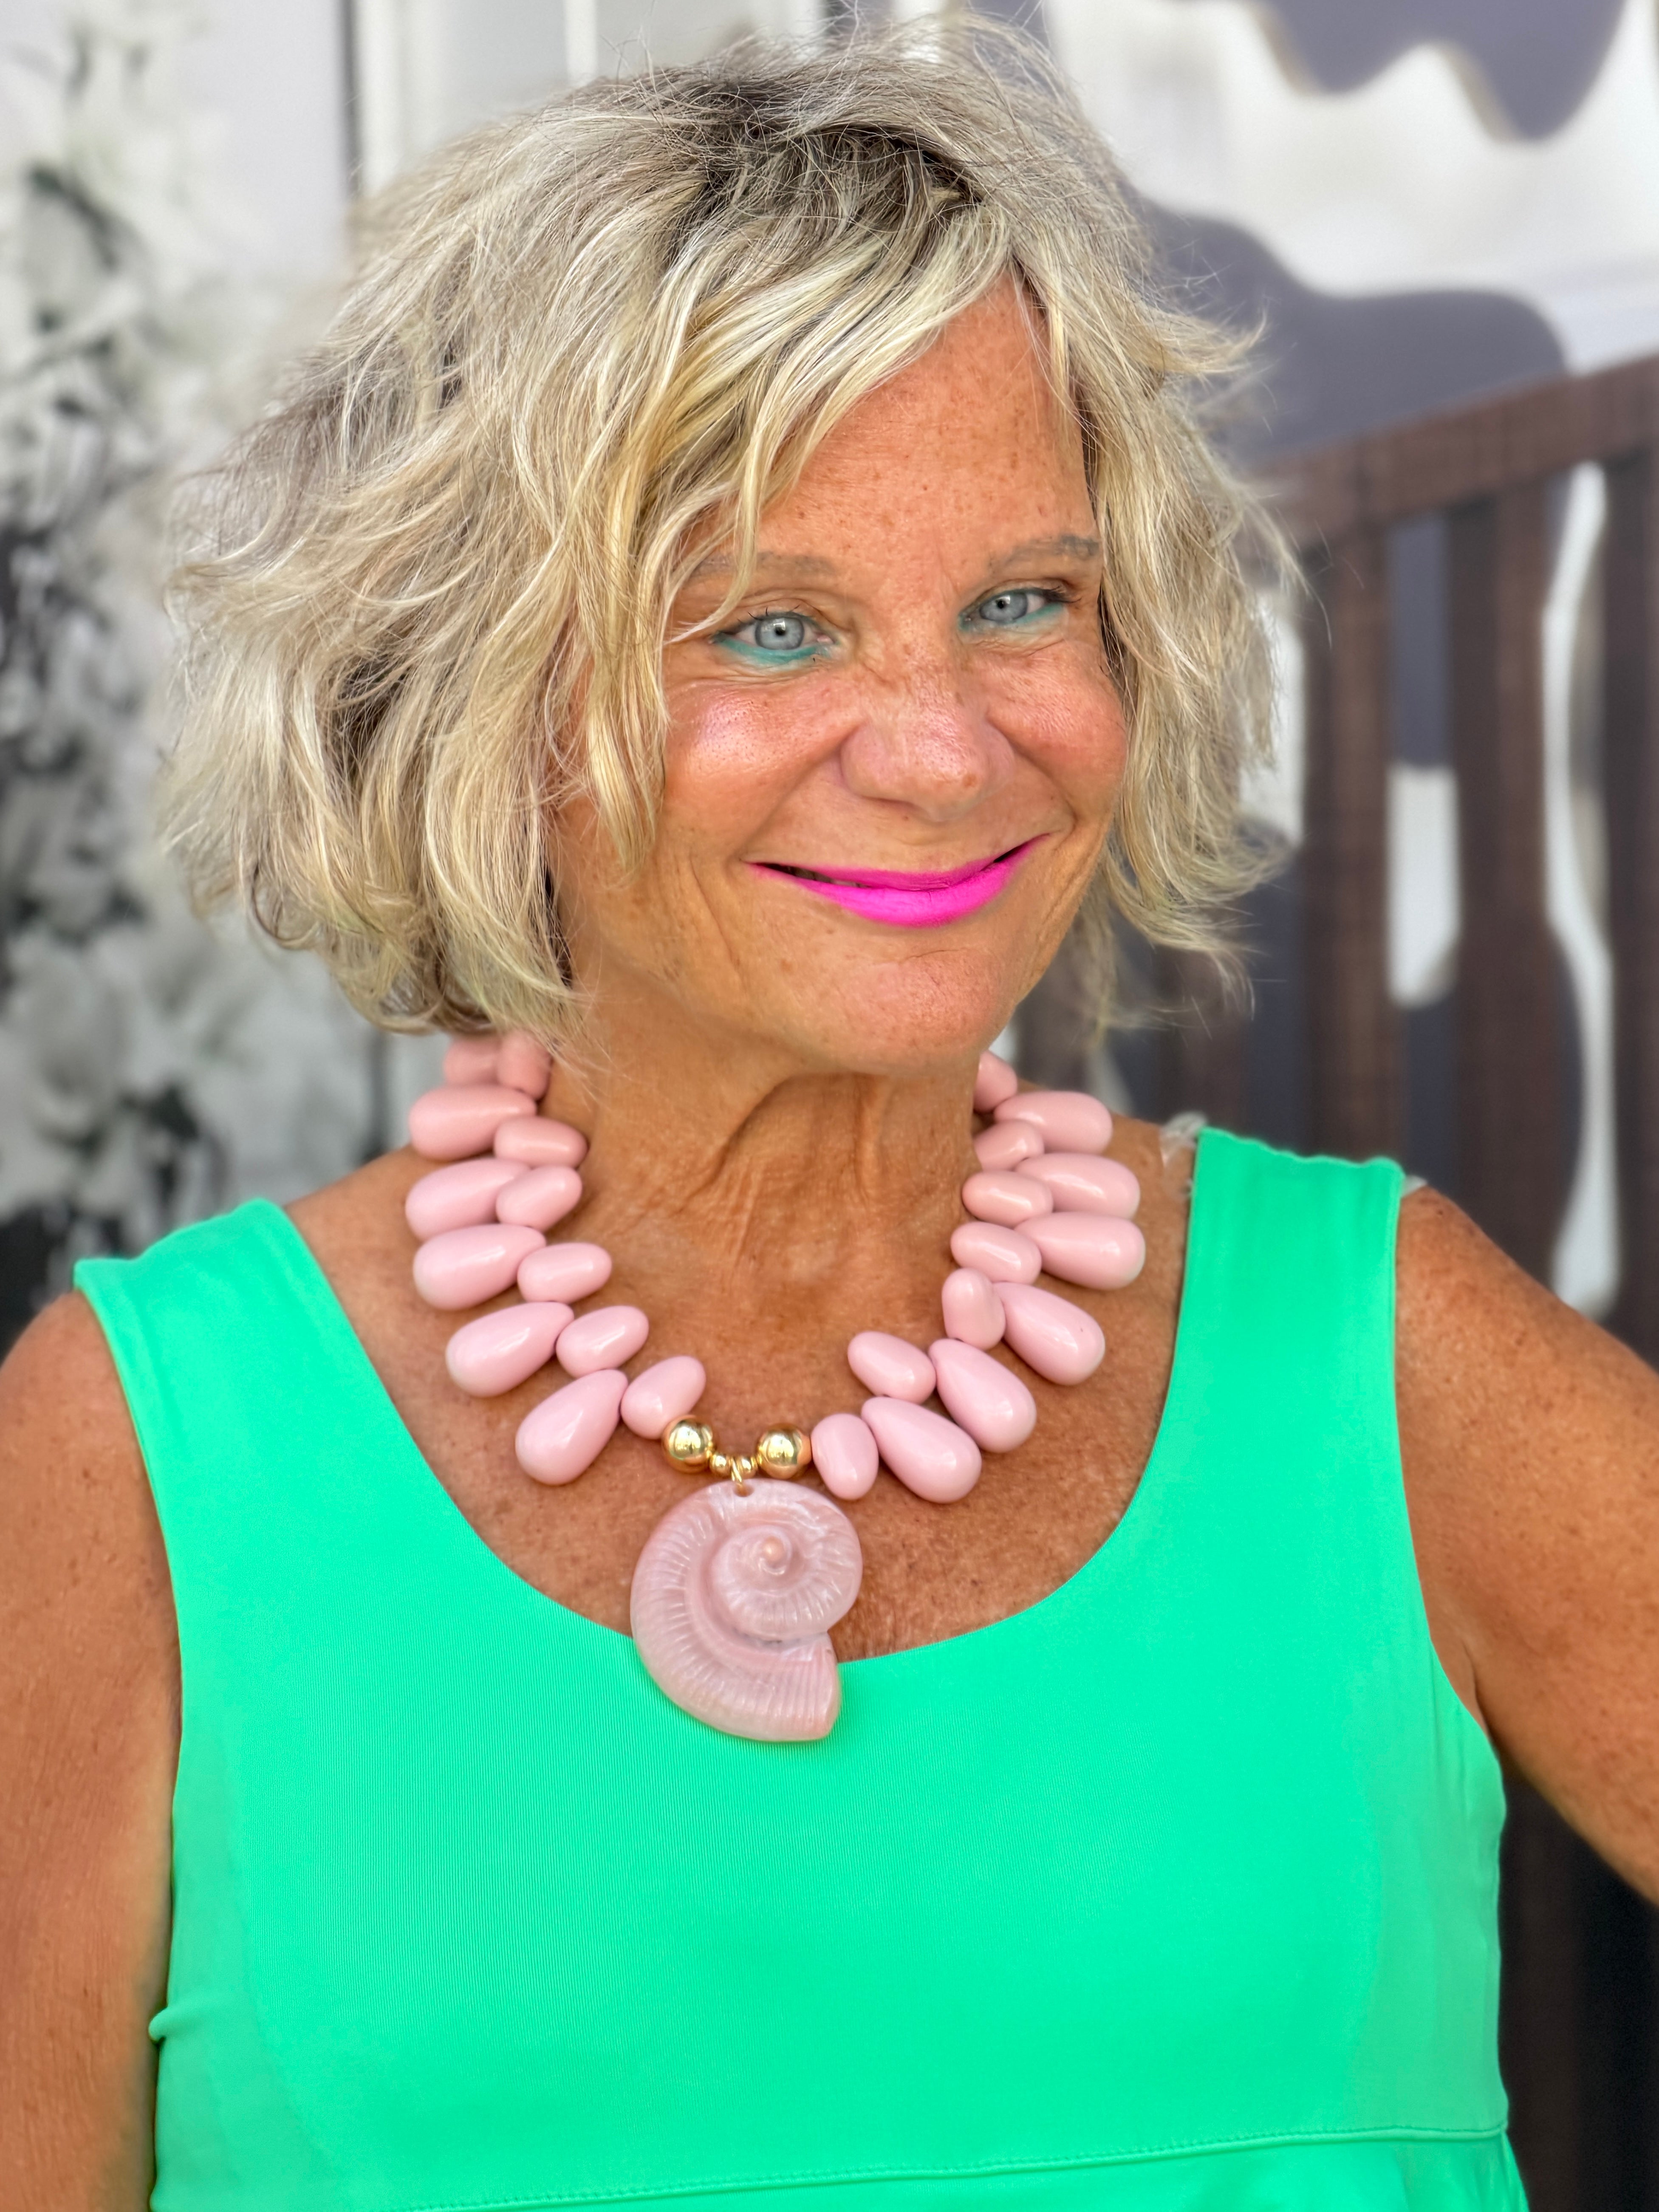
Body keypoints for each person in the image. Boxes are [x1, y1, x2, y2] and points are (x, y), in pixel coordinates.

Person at [2, 21, 1655, 2209]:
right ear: (475, 695)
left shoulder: (1376, 1349)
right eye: (771, 629)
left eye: (1022, 604)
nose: (943, 750)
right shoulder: (137, 1454)